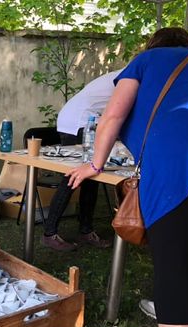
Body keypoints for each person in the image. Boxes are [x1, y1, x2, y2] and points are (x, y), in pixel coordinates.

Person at [67, 27, 188, 327]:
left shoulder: (146, 61)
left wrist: (95, 164)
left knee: (174, 270)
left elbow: (112, 116)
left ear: (154, 46)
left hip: (175, 174)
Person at [41, 70, 121, 251]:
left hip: (81, 120)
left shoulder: (130, 73)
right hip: (81, 122)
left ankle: (86, 230)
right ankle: (49, 234)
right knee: (73, 177)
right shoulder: (132, 76)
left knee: (91, 176)